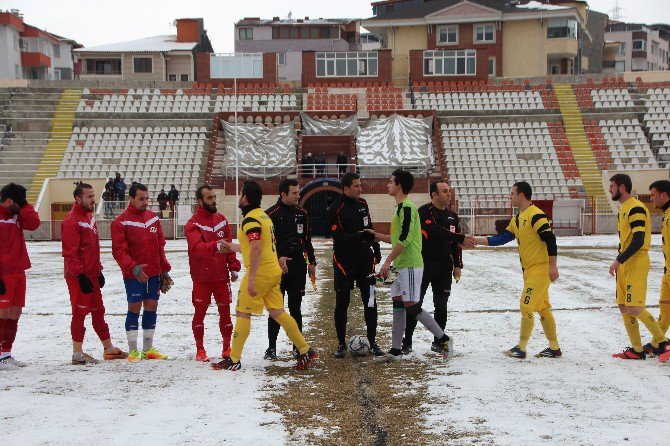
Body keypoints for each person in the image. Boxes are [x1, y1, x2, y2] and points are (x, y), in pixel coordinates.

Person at [211, 181, 317, 371]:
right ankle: (304, 349)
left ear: (245, 198)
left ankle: (233, 359)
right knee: (278, 312)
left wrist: (251, 280)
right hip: (273, 272)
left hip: (260, 274)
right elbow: (258, 246)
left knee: (243, 312)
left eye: (241, 194)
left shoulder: (251, 219)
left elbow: (257, 249)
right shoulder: (264, 217)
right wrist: (232, 247)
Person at [367, 170, 453, 361]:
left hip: (411, 265)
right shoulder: (399, 209)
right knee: (398, 306)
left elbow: (404, 240)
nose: (388, 185)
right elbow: (397, 238)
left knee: (412, 306)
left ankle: (444, 339)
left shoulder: (407, 208)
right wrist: (376, 235)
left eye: (390, 182)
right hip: (400, 265)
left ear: (398, 186)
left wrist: (387, 262)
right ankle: (396, 351)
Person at [468, 182, 560, 359]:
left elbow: (550, 239)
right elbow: (501, 239)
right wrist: (476, 240)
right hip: (529, 271)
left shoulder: (536, 215)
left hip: (540, 270)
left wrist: (553, 265)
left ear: (522, 195)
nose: (510, 197)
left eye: (512, 193)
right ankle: (554, 348)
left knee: (526, 306)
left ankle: (521, 348)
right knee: (543, 309)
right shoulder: (518, 219)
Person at [61, 183, 127, 364]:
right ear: (78, 199)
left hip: (91, 274)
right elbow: (70, 253)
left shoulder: (89, 217)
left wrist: (98, 270)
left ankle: (109, 348)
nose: (93, 199)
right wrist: (80, 275)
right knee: (80, 312)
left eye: (93, 195)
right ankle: (77, 354)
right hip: (78, 277)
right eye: (89, 196)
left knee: (99, 311)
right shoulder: (71, 221)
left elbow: (92, 249)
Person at [607, 174, 669, 360]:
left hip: (636, 260)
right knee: (623, 306)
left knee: (634, 307)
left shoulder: (636, 208)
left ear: (622, 187)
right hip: (625, 262)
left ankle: (664, 343)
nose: (610, 189)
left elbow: (638, 239)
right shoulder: (624, 208)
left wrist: (619, 259)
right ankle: (637, 349)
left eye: (612, 186)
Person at [111, 183, 172, 363]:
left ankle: (147, 349)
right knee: (134, 309)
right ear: (131, 199)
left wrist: (164, 271)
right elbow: (119, 252)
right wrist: (133, 267)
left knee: (151, 307)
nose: (145, 202)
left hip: (154, 273)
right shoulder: (121, 222)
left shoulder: (153, 218)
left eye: (147, 198)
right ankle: (133, 351)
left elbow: (160, 247)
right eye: (141, 199)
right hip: (134, 275)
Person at [402, 180, 464, 355]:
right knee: (415, 305)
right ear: (434, 194)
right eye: (445, 191)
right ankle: (407, 342)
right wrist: (460, 237)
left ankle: (438, 342)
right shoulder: (424, 212)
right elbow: (435, 231)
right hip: (423, 265)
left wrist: (458, 264)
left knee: (441, 306)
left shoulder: (453, 217)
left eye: (449, 191)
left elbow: (455, 243)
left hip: (444, 267)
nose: (449, 194)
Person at [328, 172, 383, 357]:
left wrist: (376, 248)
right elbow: (339, 239)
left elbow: (370, 228)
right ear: (346, 188)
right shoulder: (335, 208)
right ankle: (341, 344)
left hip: (365, 260)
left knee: (370, 301)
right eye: (357, 186)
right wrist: (360, 236)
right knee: (342, 303)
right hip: (344, 262)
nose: (360, 189)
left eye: (361, 185)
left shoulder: (363, 204)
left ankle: (373, 341)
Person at [185, 185, 241, 362]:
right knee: (199, 313)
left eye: (214, 197)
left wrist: (233, 265)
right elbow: (196, 248)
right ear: (200, 201)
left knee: (225, 312)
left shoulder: (222, 220)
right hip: (201, 278)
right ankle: (200, 350)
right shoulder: (193, 224)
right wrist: (215, 246)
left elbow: (229, 246)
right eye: (209, 198)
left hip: (221, 277)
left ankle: (226, 348)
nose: (214, 200)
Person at [263, 179, 316, 360]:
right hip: (277, 268)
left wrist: (312, 262)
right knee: (275, 309)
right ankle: (271, 348)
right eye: (294, 193)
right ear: (283, 194)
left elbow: (307, 240)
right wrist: (278, 258)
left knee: (296, 309)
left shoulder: (302, 213)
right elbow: (267, 244)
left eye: (298, 192)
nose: (297, 196)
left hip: (298, 267)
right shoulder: (270, 214)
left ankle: (297, 347)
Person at [0, 183, 40, 370]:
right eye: (19, 202)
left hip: (18, 271)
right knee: (2, 312)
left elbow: (34, 224)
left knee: (15, 312)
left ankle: (6, 353)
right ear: (8, 201)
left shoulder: (18, 214)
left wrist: (23, 205)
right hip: (3, 273)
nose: (22, 205)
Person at [647, 180, 670, 362]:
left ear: (664, 195)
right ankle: (656, 344)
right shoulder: (666, 215)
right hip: (667, 272)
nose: (652, 198)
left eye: (654, 194)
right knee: (665, 311)